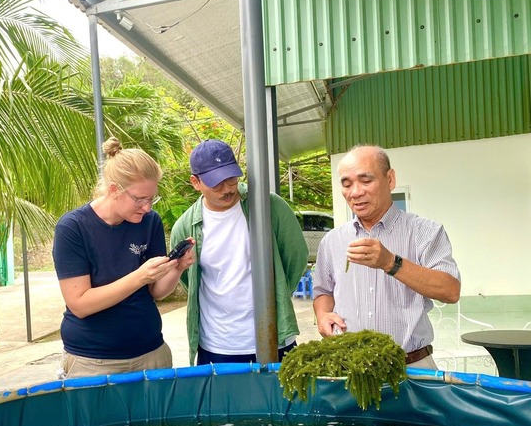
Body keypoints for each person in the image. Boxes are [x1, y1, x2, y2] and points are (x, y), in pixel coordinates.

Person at [52, 137, 194, 378]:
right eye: (140, 199)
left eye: (152, 199)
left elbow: (156, 292)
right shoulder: (73, 227)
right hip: (93, 360)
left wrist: (177, 268)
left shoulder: (150, 222)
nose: (147, 207)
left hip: (151, 352)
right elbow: (80, 304)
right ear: (114, 190)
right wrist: (139, 277)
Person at [312, 145, 461, 369]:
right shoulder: (333, 240)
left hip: (411, 366)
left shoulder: (425, 232)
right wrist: (323, 316)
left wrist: (391, 263)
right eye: (347, 183)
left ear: (390, 179)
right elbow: (323, 291)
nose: (355, 192)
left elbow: (450, 291)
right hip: (349, 366)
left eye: (366, 180)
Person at [170, 139, 307, 365]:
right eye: (217, 184)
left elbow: (296, 257)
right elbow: (188, 279)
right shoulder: (184, 227)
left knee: (282, 400)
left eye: (232, 178)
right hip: (218, 344)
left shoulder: (269, 206)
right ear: (195, 182)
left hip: (276, 336)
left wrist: (278, 294)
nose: (228, 189)